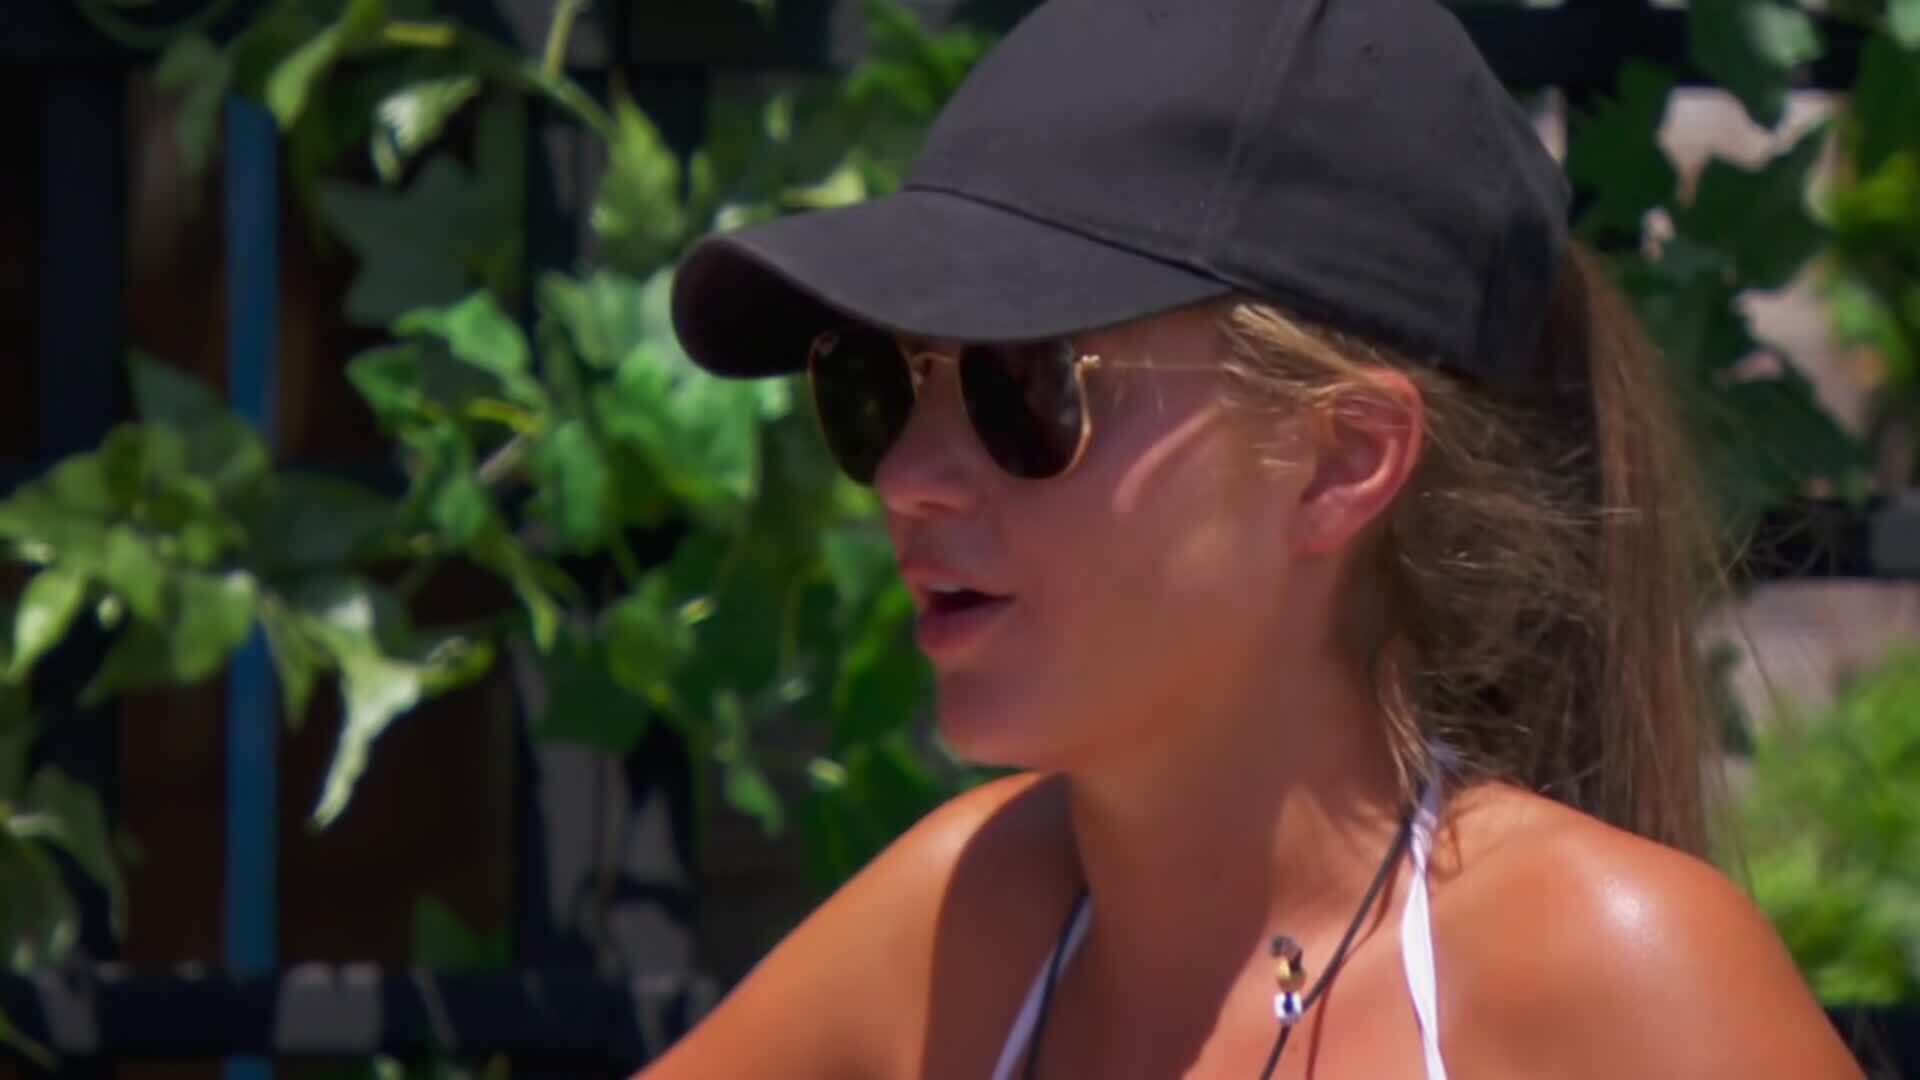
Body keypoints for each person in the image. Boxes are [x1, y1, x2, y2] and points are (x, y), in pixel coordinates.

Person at [645, 0, 1866, 1075]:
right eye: (875, 382)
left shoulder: (1608, 980)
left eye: (1024, 388)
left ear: (1340, 461)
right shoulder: (968, 921)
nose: (908, 476)